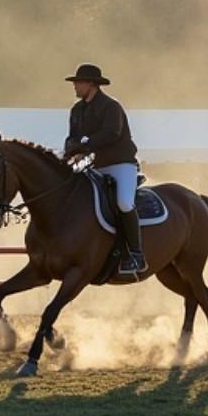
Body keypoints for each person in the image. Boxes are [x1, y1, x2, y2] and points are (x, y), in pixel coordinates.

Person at [61, 63, 145, 276]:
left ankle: (136, 254)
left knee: (124, 203)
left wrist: (83, 145)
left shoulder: (111, 107)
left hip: (121, 164)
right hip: (94, 165)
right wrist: (70, 150)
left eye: (78, 82)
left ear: (91, 84)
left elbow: (111, 133)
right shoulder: (76, 110)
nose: (75, 86)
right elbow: (72, 137)